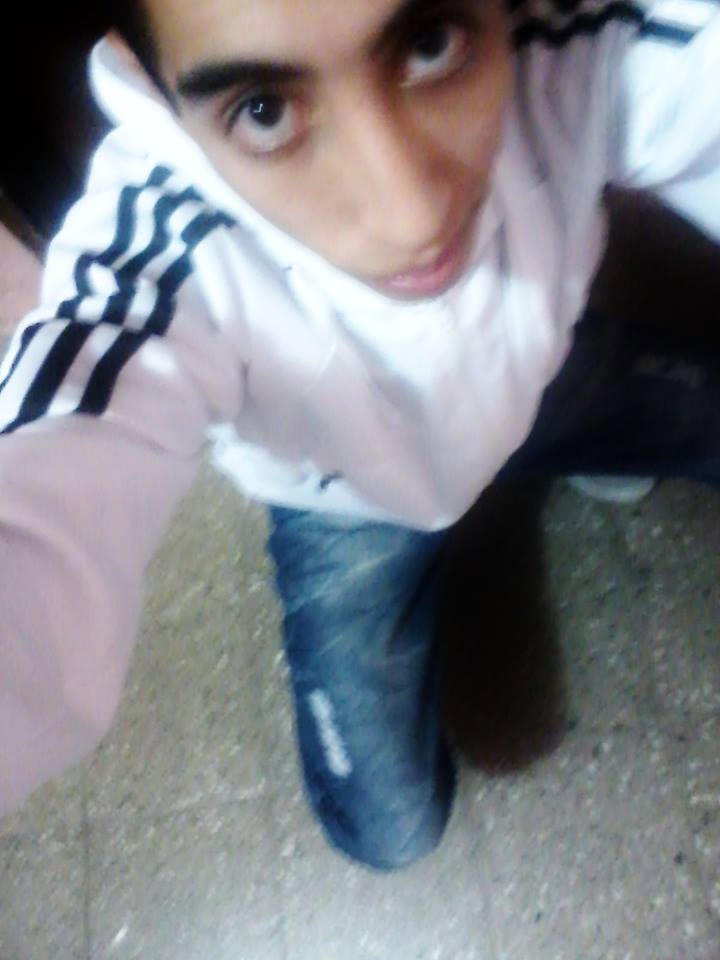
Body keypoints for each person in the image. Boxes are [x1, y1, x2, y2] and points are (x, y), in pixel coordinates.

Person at [0, 0, 718, 870]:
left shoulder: (574, 45)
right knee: (389, 830)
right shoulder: (156, 243)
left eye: (431, 43)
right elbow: (57, 456)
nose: (410, 216)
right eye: (264, 110)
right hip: (346, 505)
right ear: (158, 90)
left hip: (541, 375)